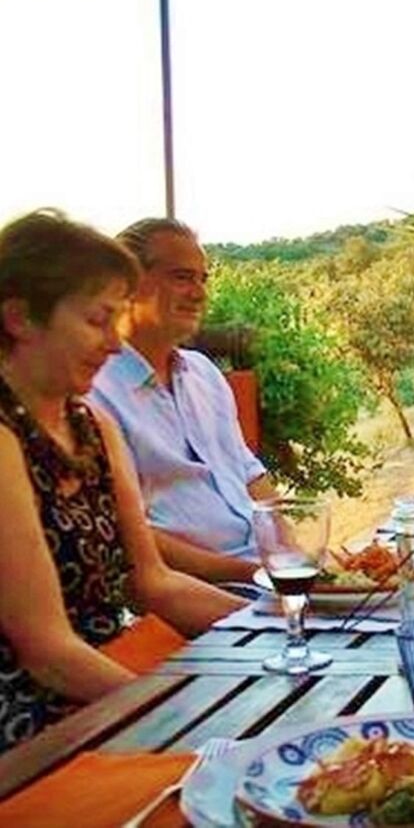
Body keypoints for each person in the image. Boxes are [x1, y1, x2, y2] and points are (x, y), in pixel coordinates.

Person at [0, 210, 242, 754]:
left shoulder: (91, 426)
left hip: (110, 676)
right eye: (97, 320)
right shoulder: (5, 439)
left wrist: (282, 620)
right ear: (20, 318)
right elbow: (46, 651)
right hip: (33, 717)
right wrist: (175, 719)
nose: (114, 344)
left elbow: (153, 583)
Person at [87, 217, 280, 585]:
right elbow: (127, 535)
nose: (199, 293)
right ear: (126, 283)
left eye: (202, 279)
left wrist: (293, 560)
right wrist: (257, 575)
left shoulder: (205, 374)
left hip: (261, 577)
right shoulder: (95, 392)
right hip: (195, 589)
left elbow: (251, 475)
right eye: (182, 277)